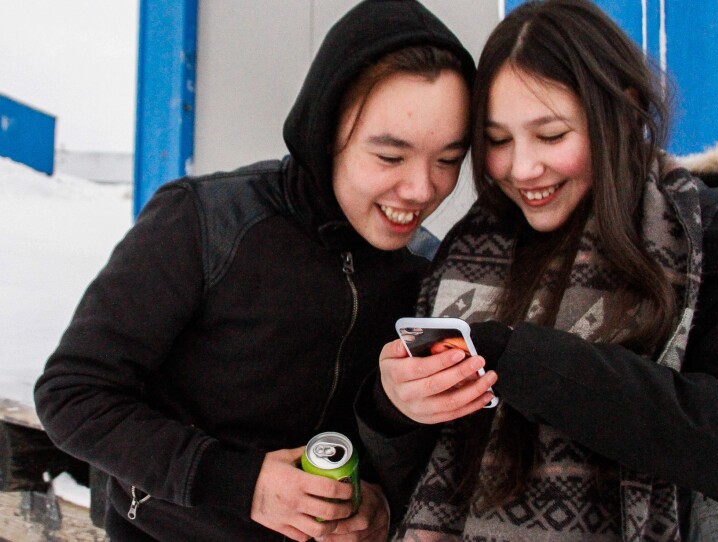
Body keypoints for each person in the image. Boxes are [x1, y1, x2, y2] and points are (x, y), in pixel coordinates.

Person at [355, 1, 718, 540]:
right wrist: (390, 407)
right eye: (499, 140)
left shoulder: (712, 233)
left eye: (552, 135)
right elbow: (414, 473)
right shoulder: (471, 244)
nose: (522, 168)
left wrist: (531, 360)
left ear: (622, 111)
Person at [33, 1, 474, 540]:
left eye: (448, 159)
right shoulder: (205, 222)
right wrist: (240, 483)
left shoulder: (426, 270)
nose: (422, 190)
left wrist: (382, 508)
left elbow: (416, 442)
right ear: (324, 130)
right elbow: (73, 394)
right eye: (389, 157)